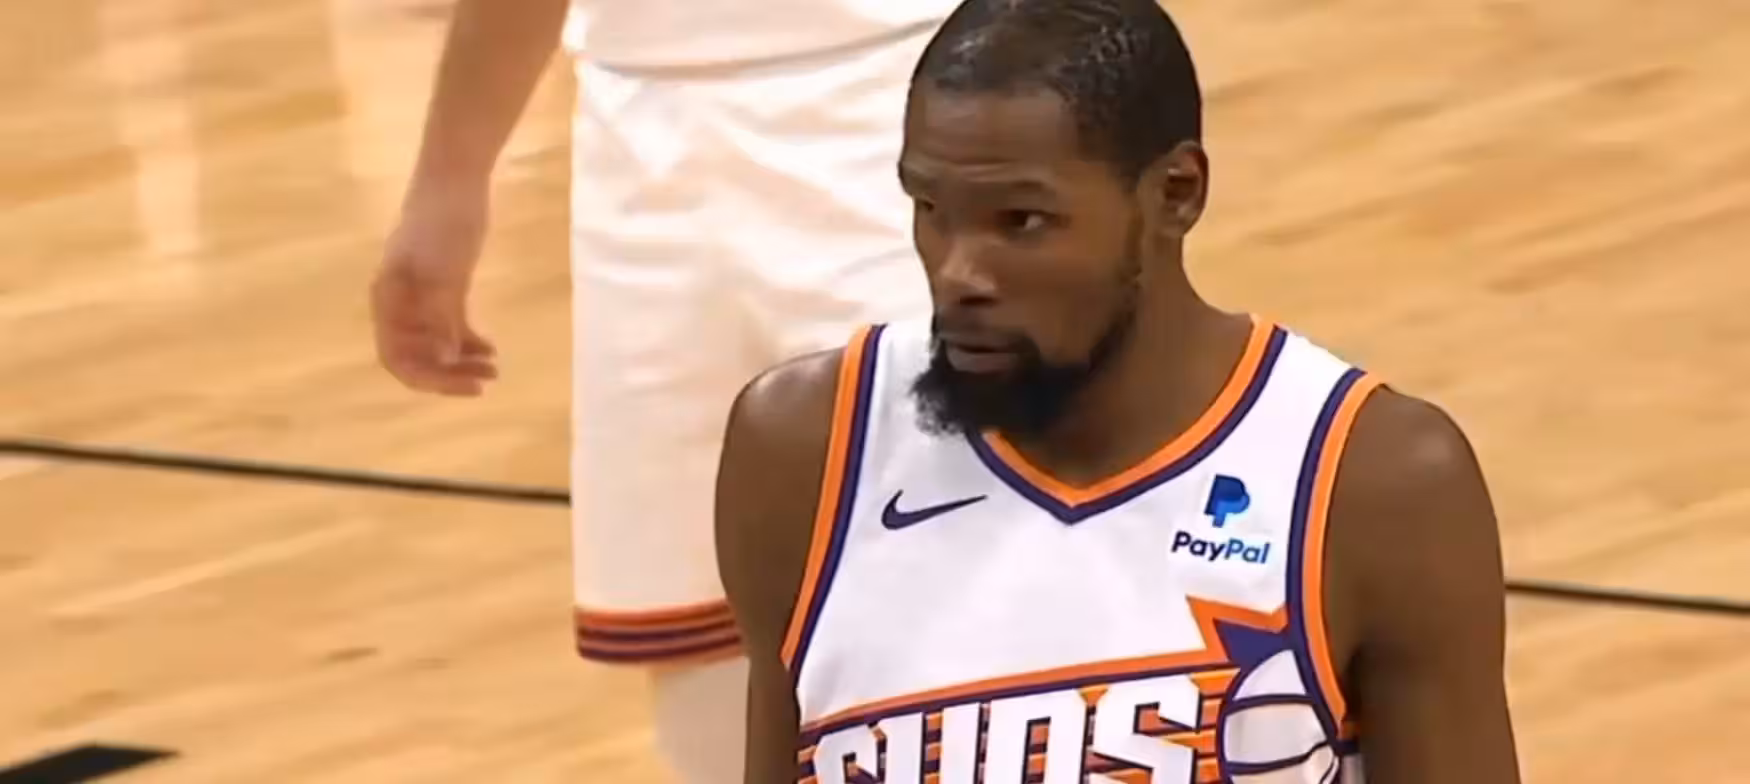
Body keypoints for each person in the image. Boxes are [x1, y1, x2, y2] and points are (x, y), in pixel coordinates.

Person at [714, 0, 1525, 781]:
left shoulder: (1371, 482)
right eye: (931, 208)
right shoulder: (806, 451)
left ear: (1176, 193)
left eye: (1019, 221)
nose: (958, 273)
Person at [367, 0, 952, 781]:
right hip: (639, 127)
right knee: (701, 633)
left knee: (959, 608)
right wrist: (449, 180)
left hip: (903, 95)